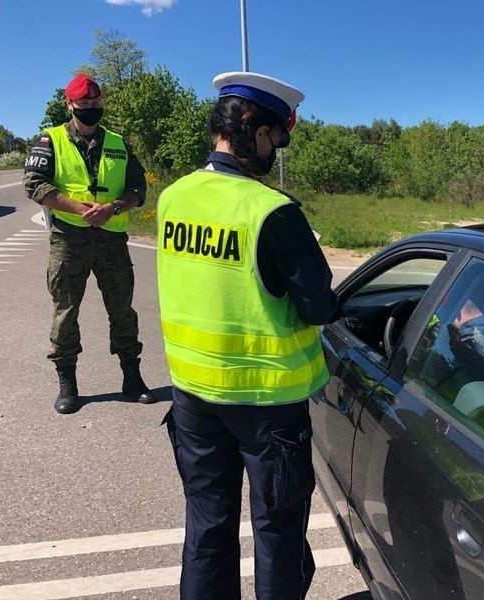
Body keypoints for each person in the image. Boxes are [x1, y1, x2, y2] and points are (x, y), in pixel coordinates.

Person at [157, 71, 338, 599]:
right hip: (267, 406)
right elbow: (319, 306)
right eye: (277, 138)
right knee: (278, 535)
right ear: (254, 130)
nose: (276, 151)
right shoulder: (272, 211)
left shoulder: (173, 198)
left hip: (192, 397)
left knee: (207, 529)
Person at [24, 72, 155, 414]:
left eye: (96, 104)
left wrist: (114, 207)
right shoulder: (49, 141)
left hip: (111, 239)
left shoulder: (118, 142)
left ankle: (132, 376)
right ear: (70, 105)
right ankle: (67, 383)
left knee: (122, 310)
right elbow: (34, 184)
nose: (91, 110)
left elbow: (138, 188)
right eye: (84, 105)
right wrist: (77, 208)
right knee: (65, 311)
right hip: (70, 239)